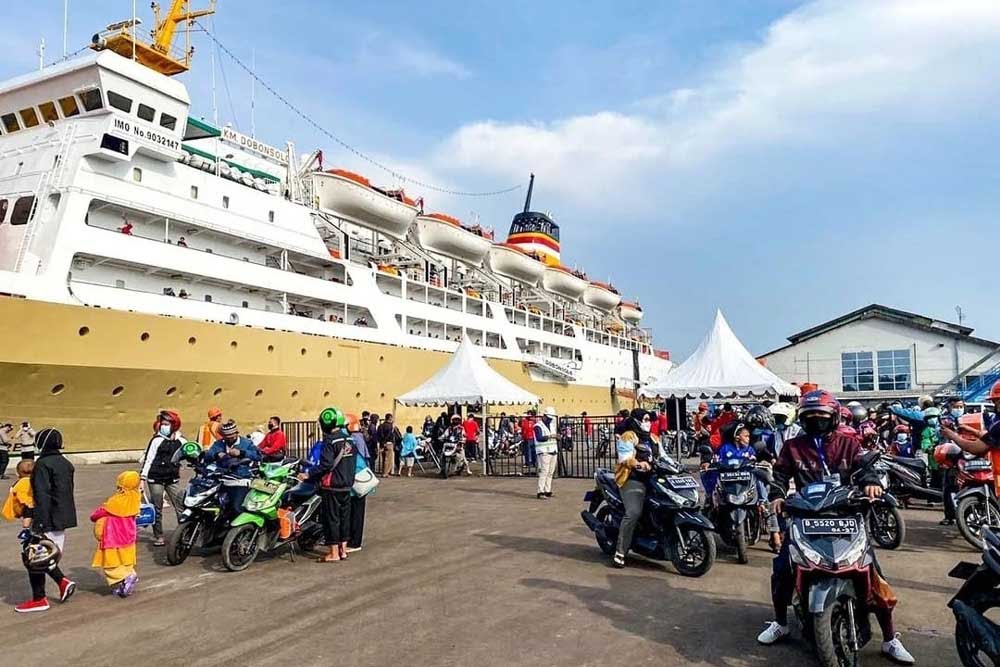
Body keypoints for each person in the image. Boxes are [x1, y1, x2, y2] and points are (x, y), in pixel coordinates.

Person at [756, 390, 914, 664]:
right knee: (782, 569)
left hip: (847, 517)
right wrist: (778, 496)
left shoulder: (849, 443)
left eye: (822, 416)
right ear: (802, 419)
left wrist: (870, 483)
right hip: (807, 518)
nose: (816, 421)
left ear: (834, 417)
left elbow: (865, 468)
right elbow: (780, 476)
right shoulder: (793, 447)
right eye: (810, 417)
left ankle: (890, 639)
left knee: (875, 575)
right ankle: (781, 622)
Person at [23, 428, 77, 612]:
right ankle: (62, 583)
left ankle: (40, 598)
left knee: (33, 555)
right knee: (45, 554)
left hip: (48, 517)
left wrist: (37, 523)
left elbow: (42, 494)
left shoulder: (43, 464)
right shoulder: (66, 463)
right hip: (63, 517)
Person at [301, 408, 355, 562]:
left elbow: (326, 465)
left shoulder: (330, 441)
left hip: (332, 485)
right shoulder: (349, 439)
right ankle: (343, 551)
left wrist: (309, 474)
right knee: (345, 518)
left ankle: (334, 553)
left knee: (332, 519)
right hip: (347, 484)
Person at [90, 471, 141, 597]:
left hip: (113, 536)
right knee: (125, 561)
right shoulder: (135, 498)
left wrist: (94, 517)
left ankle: (126, 577)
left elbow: (99, 513)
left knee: (111, 563)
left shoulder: (115, 501)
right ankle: (126, 581)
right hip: (129, 535)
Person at [612, 415, 654, 568]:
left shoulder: (653, 438)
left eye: (649, 420)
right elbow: (624, 457)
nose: (648, 423)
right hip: (631, 479)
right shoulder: (628, 436)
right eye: (645, 419)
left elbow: (663, 455)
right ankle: (620, 551)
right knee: (633, 513)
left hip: (653, 480)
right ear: (637, 421)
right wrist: (638, 464)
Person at [140, 410, 185, 547]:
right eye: (162, 424)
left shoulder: (181, 441)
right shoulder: (156, 441)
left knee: (181, 505)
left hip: (172, 478)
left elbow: (192, 453)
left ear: (174, 425)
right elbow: (149, 459)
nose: (163, 426)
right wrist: (142, 478)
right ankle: (158, 535)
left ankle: (183, 533)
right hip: (156, 478)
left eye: (166, 424)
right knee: (157, 507)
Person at [205, 420, 261, 515]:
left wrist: (241, 453)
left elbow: (258, 456)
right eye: (227, 437)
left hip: (241, 480)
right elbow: (208, 455)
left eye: (232, 436)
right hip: (221, 481)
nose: (230, 439)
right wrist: (217, 454)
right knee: (216, 508)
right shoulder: (219, 444)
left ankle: (243, 528)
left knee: (236, 508)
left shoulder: (246, 443)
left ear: (236, 433)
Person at [535, 407, 558, 499]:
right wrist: (550, 436)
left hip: (553, 450)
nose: (549, 420)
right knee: (544, 472)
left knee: (550, 472)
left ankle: (547, 490)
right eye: (548, 418)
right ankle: (540, 491)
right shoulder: (538, 426)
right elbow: (539, 437)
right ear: (544, 416)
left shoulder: (551, 425)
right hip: (544, 451)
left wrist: (556, 437)